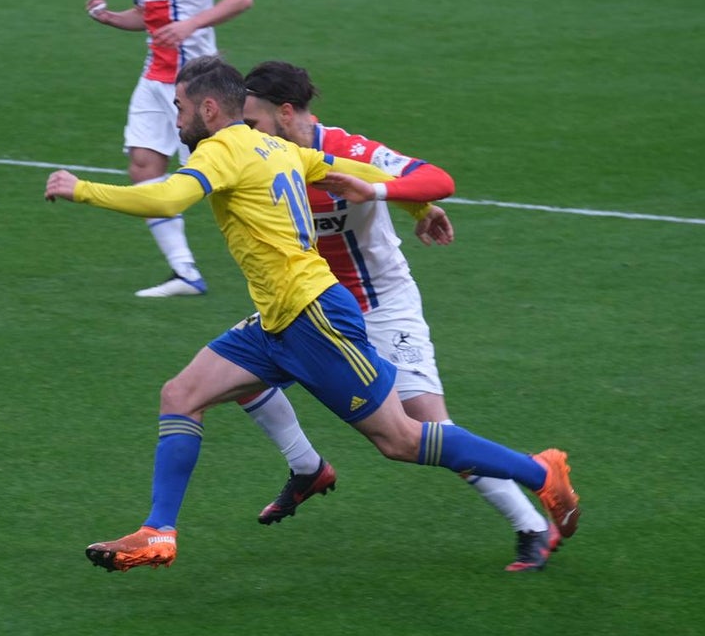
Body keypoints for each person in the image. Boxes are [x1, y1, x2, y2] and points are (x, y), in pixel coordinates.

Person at [44, 56, 580, 573]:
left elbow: (165, 201)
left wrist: (81, 190)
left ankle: (540, 471)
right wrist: (418, 207)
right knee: (181, 394)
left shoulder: (219, 151)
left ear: (209, 110)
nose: (176, 119)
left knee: (402, 438)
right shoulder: (277, 147)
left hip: (315, 316)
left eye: (180, 107)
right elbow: (352, 173)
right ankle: (159, 531)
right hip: (278, 320)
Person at [238, 61, 560, 571]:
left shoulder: (349, 151)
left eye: (253, 118)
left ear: (284, 112)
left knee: (428, 426)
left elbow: (436, 179)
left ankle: (533, 524)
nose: (245, 128)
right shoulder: (260, 154)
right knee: (234, 375)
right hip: (308, 308)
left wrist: (389, 195)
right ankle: (307, 467)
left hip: (379, 307)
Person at [85, 0, 253, 297]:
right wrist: (109, 17)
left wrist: (190, 24)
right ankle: (185, 273)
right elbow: (147, 14)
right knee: (143, 167)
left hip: (198, 80)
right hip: (154, 76)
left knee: (223, 179)